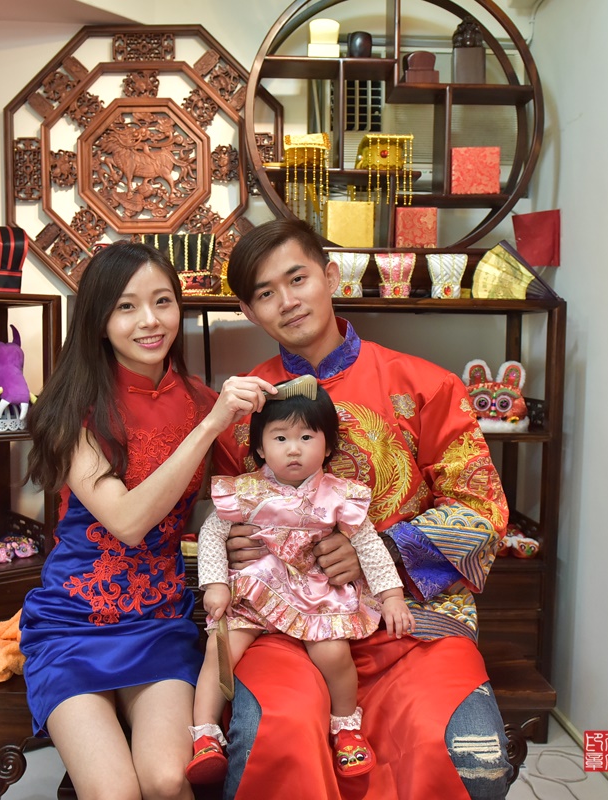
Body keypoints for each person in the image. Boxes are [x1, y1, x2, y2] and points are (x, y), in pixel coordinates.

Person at [212, 218, 514, 800]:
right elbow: (223, 518)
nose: (287, 301)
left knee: (456, 752)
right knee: (277, 736)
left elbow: (482, 510)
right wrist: (231, 543)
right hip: (285, 625)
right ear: (250, 313)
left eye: (297, 279)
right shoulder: (242, 408)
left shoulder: (426, 387)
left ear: (330, 277)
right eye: (265, 293)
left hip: (413, 622)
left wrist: (383, 554)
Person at [18, 241, 275, 800]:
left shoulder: (200, 400)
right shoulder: (70, 409)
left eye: (162, 301)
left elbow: (246, 494)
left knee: (166, 779)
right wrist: (209, 426)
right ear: (99, 319)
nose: (150, 321)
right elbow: (128, 521)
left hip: (158, 620)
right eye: (127, 307)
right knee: (114, 792)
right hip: (73, 624)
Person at [185, 377, 414, 784]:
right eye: (280, 438)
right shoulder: (245, 491)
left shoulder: (339, 495)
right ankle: (205, 735)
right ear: (260, 448)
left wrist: (392, 596)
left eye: (307, 437)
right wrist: (216, 584)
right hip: (255, 591)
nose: (294, 449)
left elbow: (369, 546)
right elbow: (212, 534)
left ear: (327, 445)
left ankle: (345, 727)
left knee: (333, 654)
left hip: (314, 592)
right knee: (221, 651)